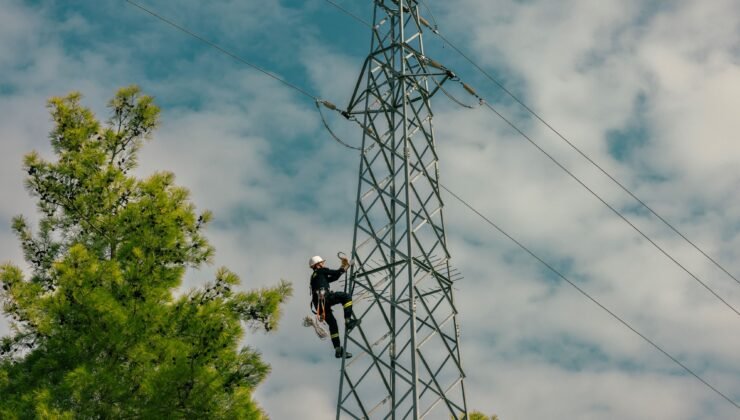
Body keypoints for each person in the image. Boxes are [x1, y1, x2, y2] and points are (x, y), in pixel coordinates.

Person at [309, 255, 360, 358]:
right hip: (324, 297)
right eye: (322, 263)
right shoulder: (321, 271)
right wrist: (346, 264)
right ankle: (348, 321)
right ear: (318, 265)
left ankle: (338, 350)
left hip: (318, 303)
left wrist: (345, 266)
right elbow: (336, 273)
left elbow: (335, 277)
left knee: (332, 324)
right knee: (346, 297)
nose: (323, 264)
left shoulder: (315, 276)